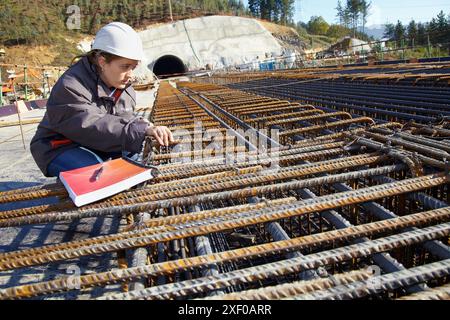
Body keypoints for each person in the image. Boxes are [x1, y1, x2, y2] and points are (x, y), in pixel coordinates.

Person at [30, 22, 174, 177]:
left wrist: (147, 127)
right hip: (60, 146)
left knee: (133, 165)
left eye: (133, 67)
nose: (131, 74)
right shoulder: (70, 86)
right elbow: (90, 124)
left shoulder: (123, 86)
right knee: (100, 176)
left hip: (96, 143)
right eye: (125, 67)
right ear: (102, 61)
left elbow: (124, 121)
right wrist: (139, 130)